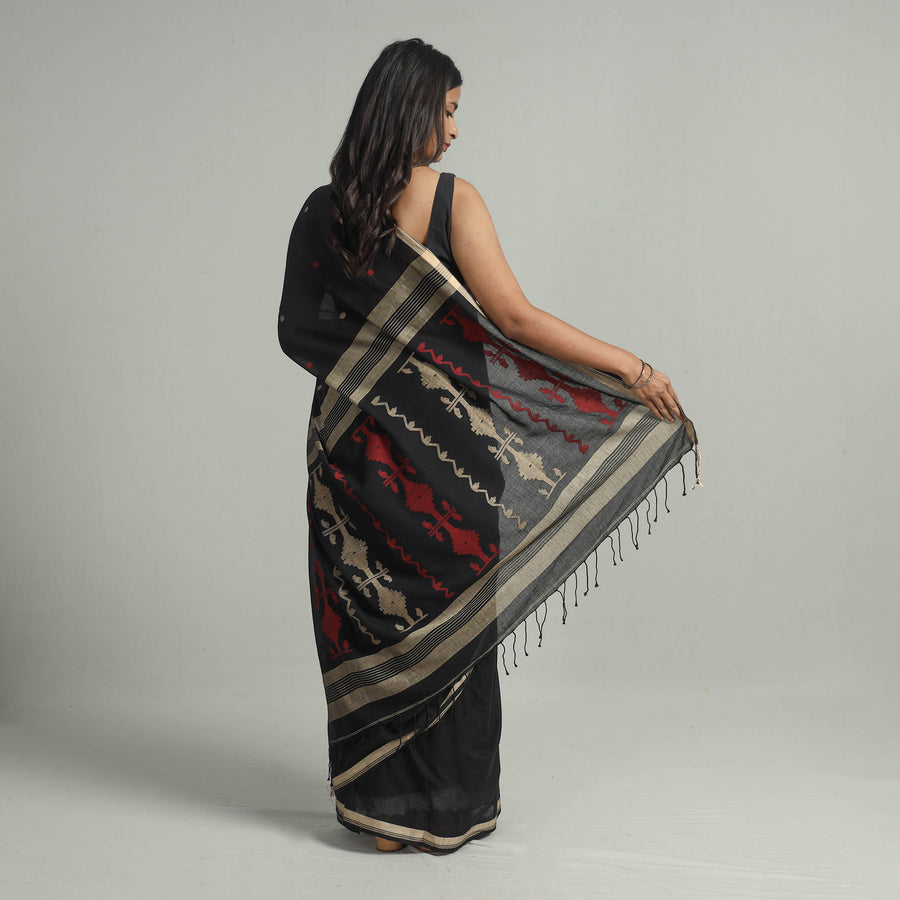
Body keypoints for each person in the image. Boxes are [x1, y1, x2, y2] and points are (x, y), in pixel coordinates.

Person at [278, 38, 697, 854]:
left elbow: (297, 331)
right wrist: (630, 366)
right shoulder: (453, 201)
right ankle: (447, 809)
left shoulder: (323, 212)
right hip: (452, 456)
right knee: (456, 624)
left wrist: (376, 376)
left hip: (352, 457)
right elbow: (515, 319)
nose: (454, 131)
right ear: (410, 109)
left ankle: (384, 815)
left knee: (369, 620)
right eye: (447, 111)